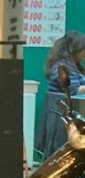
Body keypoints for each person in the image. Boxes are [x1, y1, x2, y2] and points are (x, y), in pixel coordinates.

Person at [36, 31, 85, 161]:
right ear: (73, 49)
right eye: (83, 50)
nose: (84, 54)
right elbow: (74, 90)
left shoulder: (73, 66)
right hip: (63, 117)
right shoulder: (61, 66)